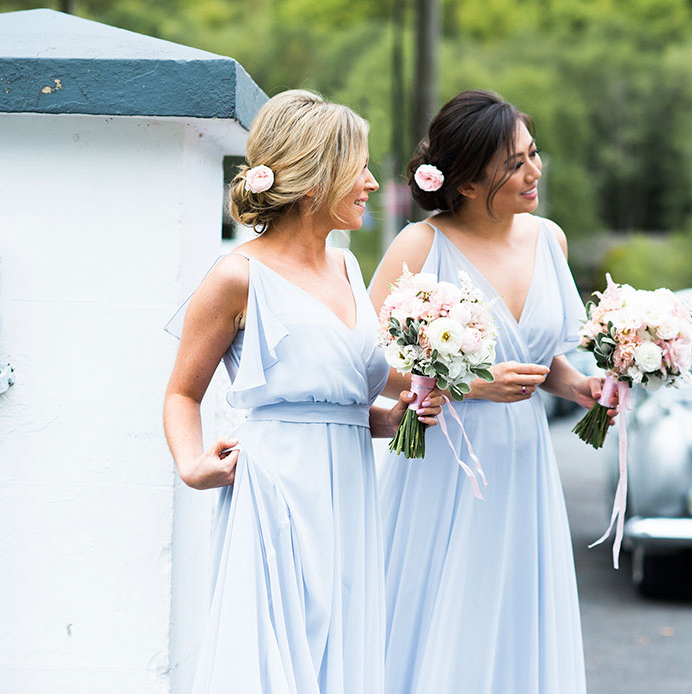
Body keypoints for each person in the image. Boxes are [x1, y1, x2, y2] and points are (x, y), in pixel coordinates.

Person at [163, 89, 442, 694]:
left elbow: (340, 401)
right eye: (358, 168)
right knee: (272, 653)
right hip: (275, 487)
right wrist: (191, 465)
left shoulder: (347, 267)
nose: (371, 182)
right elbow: (182, 393)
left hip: (350, 487)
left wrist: (398, 416)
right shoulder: (237, 277)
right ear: (315, 180)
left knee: (340, 647)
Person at [369, 89, 613, 694]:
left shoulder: (548, 239)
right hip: (445, 462)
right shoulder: (421, 246)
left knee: (512, 611)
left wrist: (578, 385)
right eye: (514, 164)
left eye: (533, 155)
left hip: (524, 463)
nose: (533, 173)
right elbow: (370, 362)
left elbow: (534, 353)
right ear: (469, 183)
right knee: (444, 609)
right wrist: (473, 385)